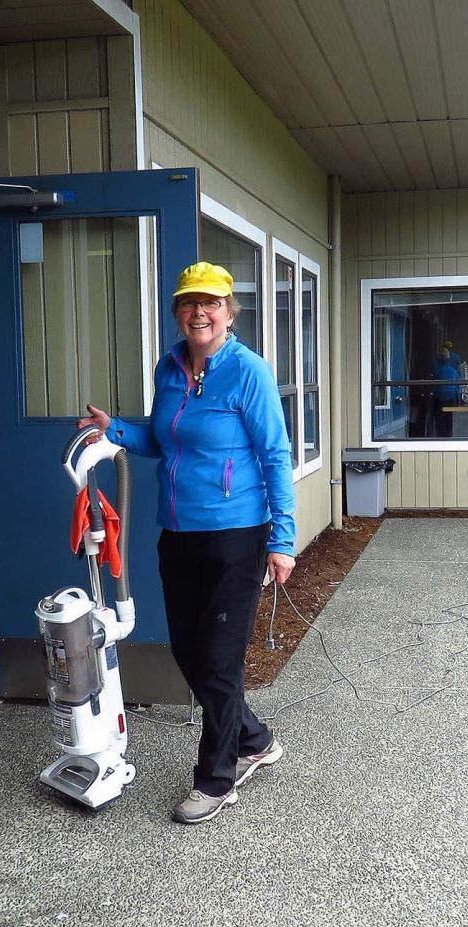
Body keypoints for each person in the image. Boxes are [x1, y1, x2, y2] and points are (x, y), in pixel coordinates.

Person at [79, 261, 296, 825]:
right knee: (187, 651)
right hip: (178, 531)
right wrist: (117, 430)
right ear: (177, 312)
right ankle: (255, 738)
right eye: (188, 302)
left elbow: (275, 454)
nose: (199, 312)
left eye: (211, 302)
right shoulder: (169, 367)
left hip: (236, 534)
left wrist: (283, 538)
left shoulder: (248, 371)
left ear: (229, 312)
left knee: (221, 660)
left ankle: (217, 777)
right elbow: (164, 437)